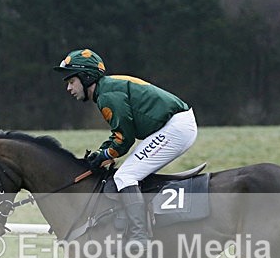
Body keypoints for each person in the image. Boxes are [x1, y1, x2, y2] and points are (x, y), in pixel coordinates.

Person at [53, 48, 197, 247]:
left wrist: (105, 154)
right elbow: (119, 135)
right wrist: (103, 153)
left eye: (71, 81)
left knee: (125, 176)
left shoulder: (107, 96)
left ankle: (140, 236)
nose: (69, 88)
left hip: (176, 128)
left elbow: (124, 139)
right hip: (176, 125)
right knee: (129, 173)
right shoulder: (107, 89)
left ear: (86, 77)